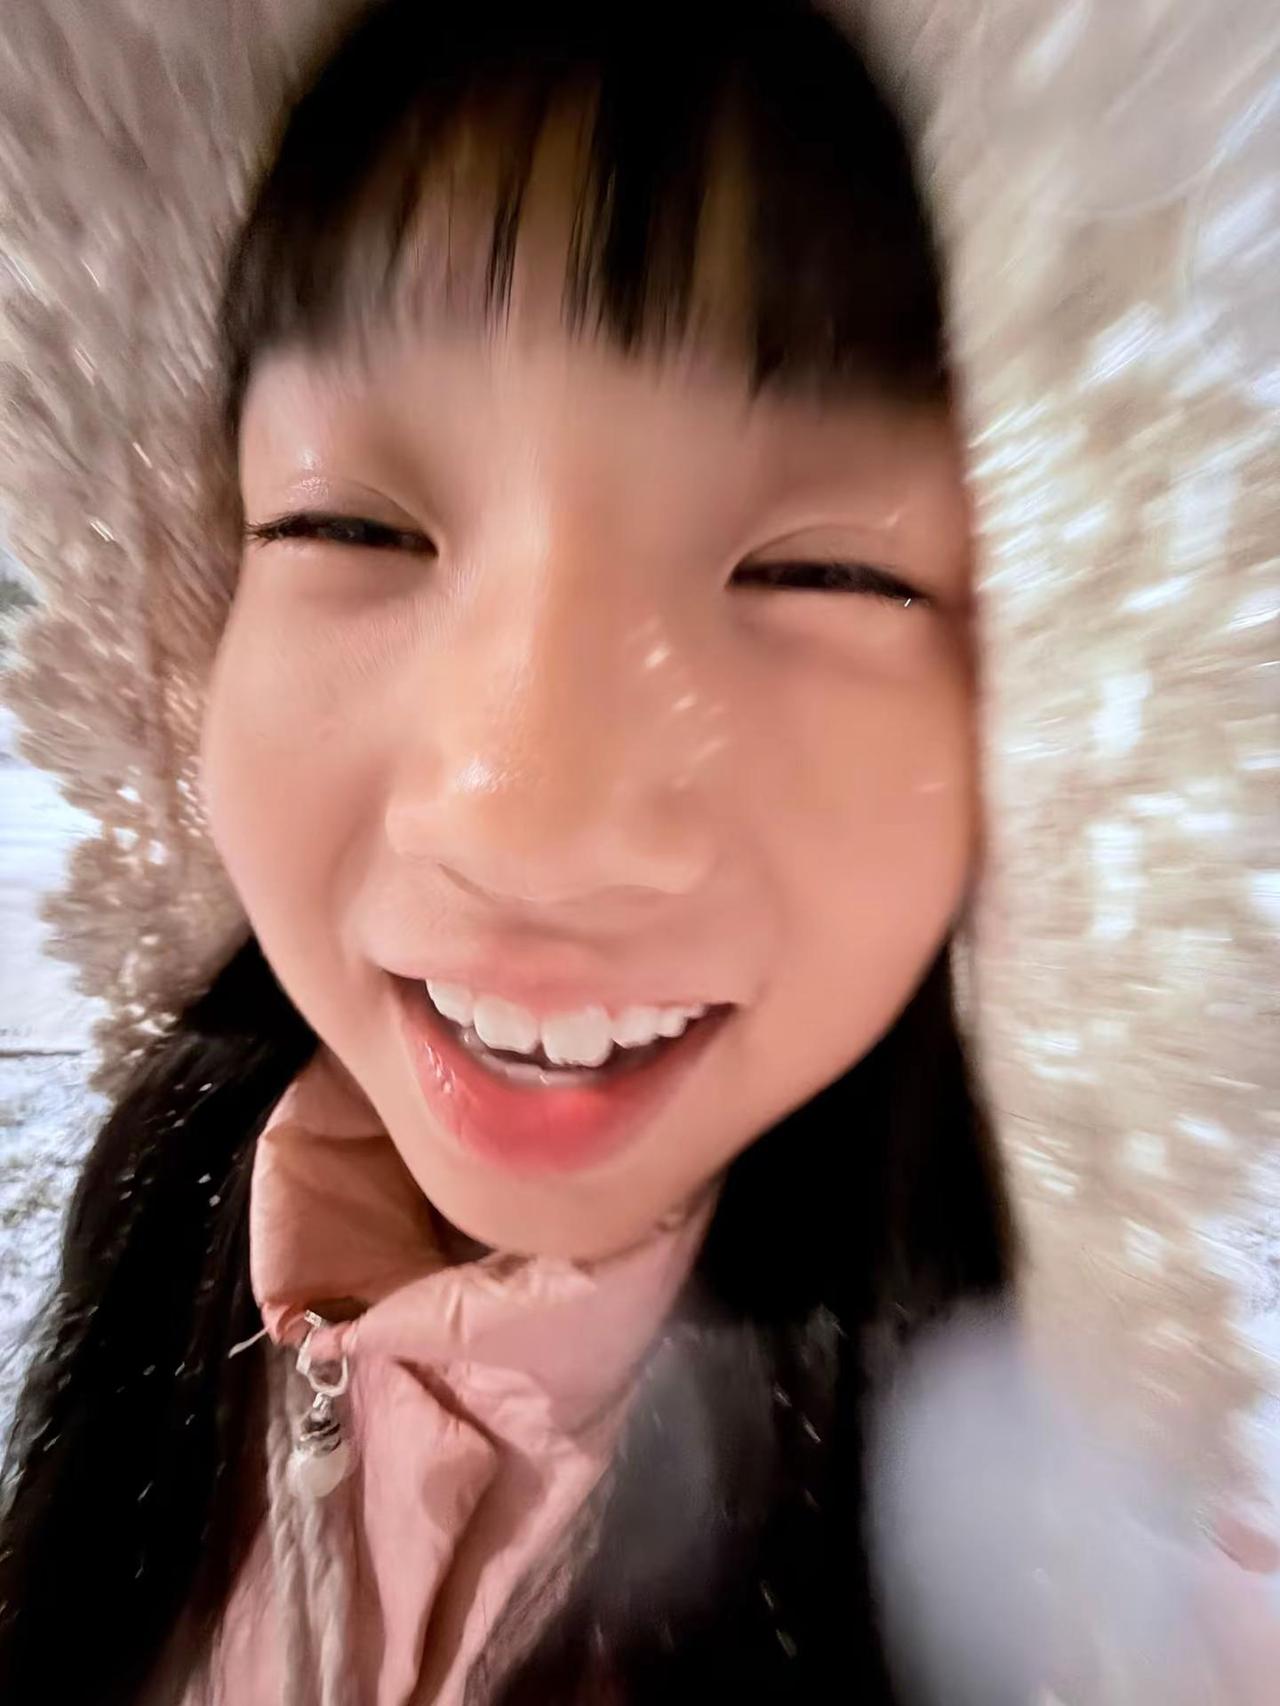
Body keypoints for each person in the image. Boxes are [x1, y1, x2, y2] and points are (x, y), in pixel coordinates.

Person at [0, 2, 1274, 1704]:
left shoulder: (1116, 1618)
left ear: (1051, 707)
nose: (528, 821)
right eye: (350, 525)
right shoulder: (158, 1254)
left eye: (821, 572)